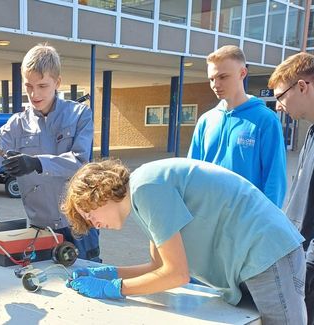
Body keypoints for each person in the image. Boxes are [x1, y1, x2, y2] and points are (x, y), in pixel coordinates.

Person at [62, 158, 306, 325]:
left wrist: (113, 288)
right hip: (253, 260)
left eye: (88, 213)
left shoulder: (146, 189)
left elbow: (177, 275)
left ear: (99, 193)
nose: (92, 222)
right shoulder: (139, 198)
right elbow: (158, 268)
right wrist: (108, 273)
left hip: (266, 252)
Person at [0, 44, 100, 261]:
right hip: (40, 229)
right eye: (28, 86)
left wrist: (36, 163)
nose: (34, 94)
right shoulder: (16, 125)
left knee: (87, 280)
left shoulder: (79, 115)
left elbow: (80, 163)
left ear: (57, 82)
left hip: (80, 225)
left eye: (42, 85)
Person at [188, 45, 286, 207]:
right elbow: (191, 172)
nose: (215, 84)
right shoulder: (206, 120)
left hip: (247, 220)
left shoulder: (266, 120)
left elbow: (275, 178)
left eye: (223, 77)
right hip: (208, 215)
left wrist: (267, 225)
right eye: (211, 79)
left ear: (242, 73)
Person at [269, 52, 314, 325]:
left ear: (302, 86)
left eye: (280, 96)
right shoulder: (311, 133)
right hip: (301, 258)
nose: (278, 106)